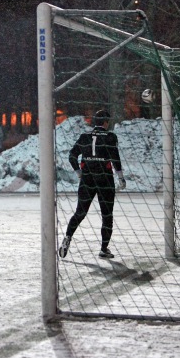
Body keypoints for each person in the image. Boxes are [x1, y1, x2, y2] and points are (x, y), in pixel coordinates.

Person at [59, 110, 126, 259]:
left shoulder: (84, 137)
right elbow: (115, 157)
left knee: (80, 212)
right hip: (105, 179)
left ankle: (68, 237)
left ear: (95, 122)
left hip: (87, 179)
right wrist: (121, 177)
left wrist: (79, 173)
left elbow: (72, 156)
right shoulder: (110, 137)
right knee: (106, 214)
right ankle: (103, 248)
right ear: (106, 122)